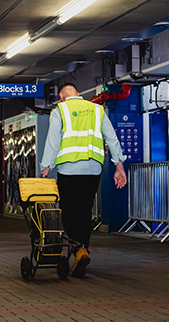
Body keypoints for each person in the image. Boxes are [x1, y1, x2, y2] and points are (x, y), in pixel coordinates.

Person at [40, 83, 127, 278]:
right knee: (85, 210)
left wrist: (46, 166)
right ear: (78, 94)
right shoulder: (97, 109)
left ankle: (78, 248)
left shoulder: (60, 110)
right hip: (93, 168)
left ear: (62, 97)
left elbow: (53, 140)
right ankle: (84, 248)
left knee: (69, 211)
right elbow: (111, 138)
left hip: (68, 169)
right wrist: (119, 167)